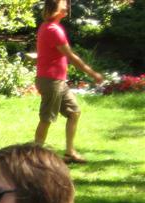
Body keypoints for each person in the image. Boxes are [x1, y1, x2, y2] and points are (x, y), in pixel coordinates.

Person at [34, 0, 104, 164]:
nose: (67, 5)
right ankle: (35, 155)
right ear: (55, 9)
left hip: (57, 80)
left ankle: (70, 152)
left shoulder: (50, 27)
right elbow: (71, 56)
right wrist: (92, 73)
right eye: (63, 4)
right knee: (47, 118)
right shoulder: (52, 30)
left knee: (74, 112)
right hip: (51, 81)